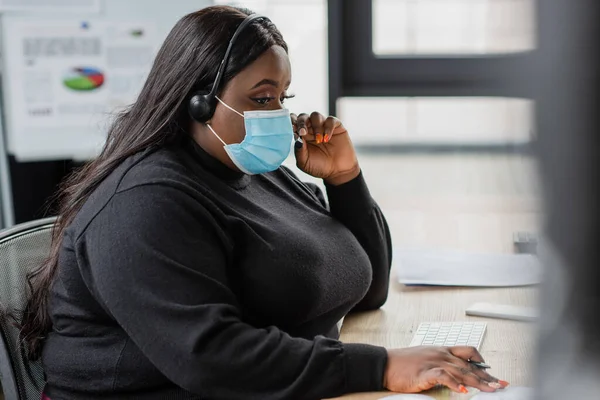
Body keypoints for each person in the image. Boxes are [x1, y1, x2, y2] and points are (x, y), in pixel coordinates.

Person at [18, 6, 507, 400]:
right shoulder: (143, 203)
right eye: (261, 98)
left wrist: (345, 180)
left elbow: (367, 289)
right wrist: (378, 366)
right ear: (199, 103)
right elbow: (209, 356)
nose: (278, 115)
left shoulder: (255, 169)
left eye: (282, 97)